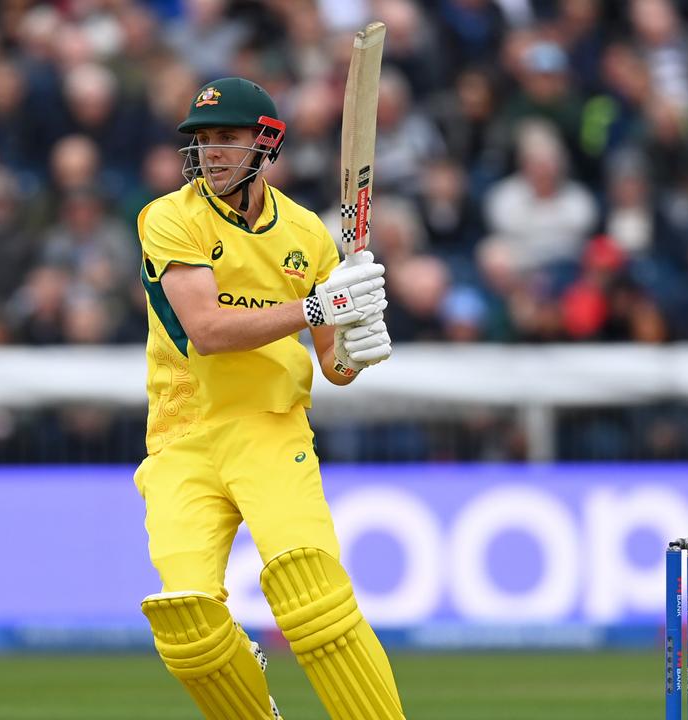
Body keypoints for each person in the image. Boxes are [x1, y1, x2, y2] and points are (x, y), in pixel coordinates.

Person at [133, 77, 403, 720]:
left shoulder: (307, 234)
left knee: (310, 593)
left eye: (228, 138)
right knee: (187, 624)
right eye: (202, 142)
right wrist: (316, 305)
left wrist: (356, 346)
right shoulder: (169, 218)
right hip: (181, 437)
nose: (212, 154)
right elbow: (207, 330)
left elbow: (330, 365)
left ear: (266, 142)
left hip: (271, 427)